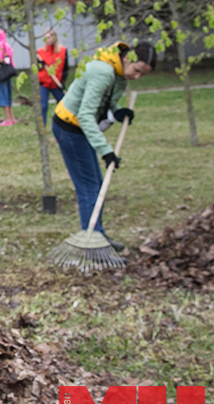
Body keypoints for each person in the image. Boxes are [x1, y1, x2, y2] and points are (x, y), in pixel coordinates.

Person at [52, 41, 156, 251]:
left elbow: (103, 99)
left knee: (97, 184)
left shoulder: (117, 71)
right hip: (70, 128)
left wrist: (117, 110)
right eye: (136, 71)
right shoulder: (104, 72)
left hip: (80, 128)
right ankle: (93, 246)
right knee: (89, 187)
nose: (136, 77)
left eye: (141, 75)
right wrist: (106, 151)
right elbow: (85, 115)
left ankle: (97, 234)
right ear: (128, 58)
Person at [36, 29, 68, 126]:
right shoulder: (40, 53)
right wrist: (40, 64)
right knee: (43, 106)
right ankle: (42, 128)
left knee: (63, 105)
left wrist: (62, 81)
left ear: (54, 37)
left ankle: (64, 125)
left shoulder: (63, 51)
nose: (47, 39)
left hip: (57, 83)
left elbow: (65, 68)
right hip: (44, 83)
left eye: (49, 37)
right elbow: (37, 69)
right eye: (45, 38)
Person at [0, 29, 16, 126]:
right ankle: (12, 118)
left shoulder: (0, 45)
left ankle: (8, 120)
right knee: (8, 94)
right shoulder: (7, 45)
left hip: (1, 73)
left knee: (3, 95)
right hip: (8, 72)